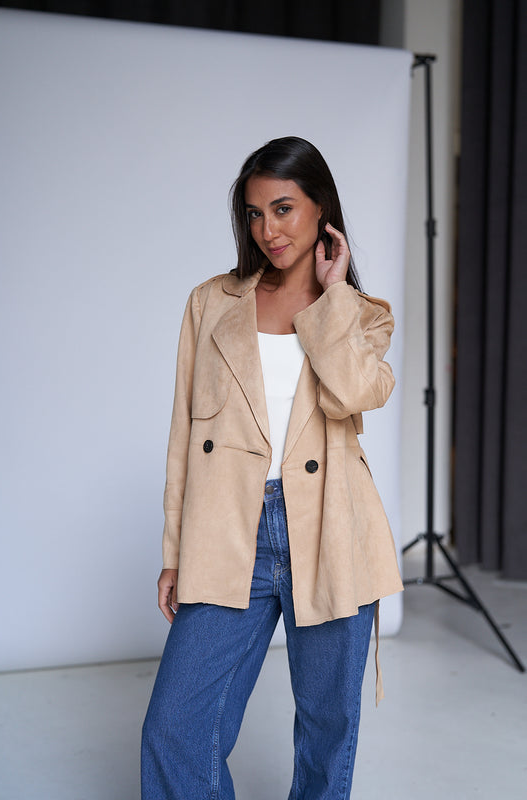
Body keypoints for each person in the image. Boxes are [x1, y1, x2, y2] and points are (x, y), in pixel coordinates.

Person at [141, 136, 403, 799]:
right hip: (230, 529)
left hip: (331, 530)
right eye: (255, 214)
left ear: (321, 210)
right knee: (176, 725)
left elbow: (356, 392)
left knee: (326, 727)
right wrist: (174, 552)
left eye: (284, 209)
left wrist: (331, 296)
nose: (269, 230)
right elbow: (183, 436)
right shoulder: (211, 303)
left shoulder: (359, 316)